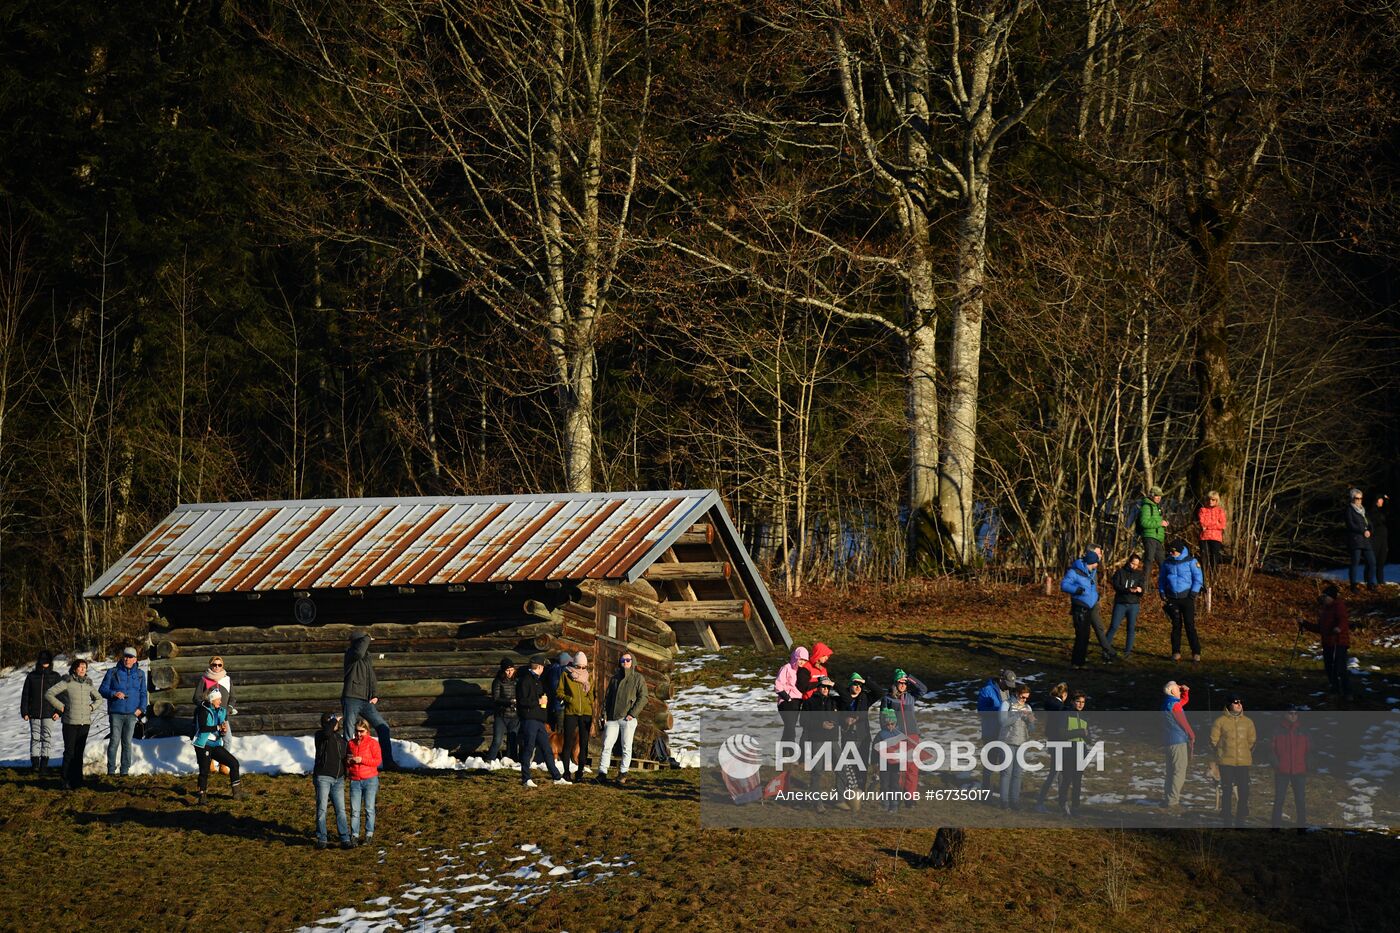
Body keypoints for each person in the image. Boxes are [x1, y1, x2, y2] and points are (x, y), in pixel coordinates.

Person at [44, 658, 102, 790]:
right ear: (75, 669)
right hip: (70, 723)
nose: (83, 669)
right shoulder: (67, 681)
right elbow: (49, 694)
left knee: (79, 752)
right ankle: (65, 780)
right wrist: (61, 706)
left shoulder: (88, 683)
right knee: (69, 752)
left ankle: (78, 780)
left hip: (84, 723)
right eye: (80, 667)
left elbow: (99, 699)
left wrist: (91, 708)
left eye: (85, 667)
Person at [342, 633, 397, 770]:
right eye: (364, 641)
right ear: (359, 642)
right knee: (349, 733)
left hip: (366, 701)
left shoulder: (366, 658)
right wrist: (367, 637)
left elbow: (372, 677)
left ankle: (388, 762)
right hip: (351, 698)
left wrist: (375, 695)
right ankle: (346, 766)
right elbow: (359, 652)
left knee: (383, 727)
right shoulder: (351, 654)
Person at [597, 651, 648, 785]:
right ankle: (602, 773)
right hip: (613, 719)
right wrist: (604, 715)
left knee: (626, 747)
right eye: (622, 660)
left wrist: (632, 713)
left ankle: (623, 773)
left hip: (628, 719)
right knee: (606, 745)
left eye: (628, 660)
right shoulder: (614, 678)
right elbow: (607, 699)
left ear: (633, 661)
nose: (625, 662)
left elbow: (643, 697)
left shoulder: (638, 678)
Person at [516, 655, 567, 787]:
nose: (544, 668)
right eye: (543, 666)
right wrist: (538, 701)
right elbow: (522, 701)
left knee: (547, 749)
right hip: (529, 719)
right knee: (528, 748)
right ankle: (526, 778)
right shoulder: (525, 680)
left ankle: (556, 777)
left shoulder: (539, 681)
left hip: (539, 720)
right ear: (539, 667)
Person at [1061, 548, 1115, 668]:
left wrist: (1096, 596)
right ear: (1090, 562)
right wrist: (1076, 590)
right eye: (1096, 562)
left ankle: (1081, 662)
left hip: (1090, 607)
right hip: (1080, 608)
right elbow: (1064, 585)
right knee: (1081, 636)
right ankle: (1076, 662)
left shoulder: (1091, 572)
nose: (1097, 564)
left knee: (1086, 636)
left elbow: (1092, 588)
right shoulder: (1074, 572)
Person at [99, 646, 147, 777]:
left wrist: (141, 709)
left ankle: (124, 771)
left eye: (130, 657)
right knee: (114, 740)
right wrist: (114, 693)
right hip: (116, 713)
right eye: (125, 656)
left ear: (135, 659)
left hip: (132, 714)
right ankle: (110, 770)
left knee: (127, 742)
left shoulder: (140, 675)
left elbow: (143, 694)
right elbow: (102, 690)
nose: (127, 659)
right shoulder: (112, 672)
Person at [1210, 694, 1256, 827]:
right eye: (1236, 702)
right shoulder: (1220, 721)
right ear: (1229, 705)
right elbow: (1213, 740)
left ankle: (1240, 819)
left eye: (1241, 702)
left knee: (1244, 791)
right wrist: (1221, 753)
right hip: (1226, 762)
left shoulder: (1248, 722)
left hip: (1243, 762)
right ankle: (1227, 819)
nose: (1239, 704)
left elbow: (1252, 740)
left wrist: (1245, 752)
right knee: (1227, 790)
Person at [1301, 585, 1351, 698]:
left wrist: (1339, 628)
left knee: (1340, 668)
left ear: (1331, 597)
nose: (1323, 598)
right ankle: (1335, 690)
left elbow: (1343, 620)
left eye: (1325, 596)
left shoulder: (1339, 606)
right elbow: (1320, 628)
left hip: (1338, 642)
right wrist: (1305, 624)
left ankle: (1348, 692)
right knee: (1329, 668)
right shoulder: (1325, 609)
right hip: (1327, 643)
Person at [192, 688, 241, 805]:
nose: (220, 701)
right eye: (218, 699)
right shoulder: (202, 710)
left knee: (234, 763)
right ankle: (202, 796)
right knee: (204, 771)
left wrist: (222, 732)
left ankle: (237, 794)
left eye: (220, 698)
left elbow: (220, 729)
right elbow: (203, 728)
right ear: (212, 700)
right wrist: (218, 728)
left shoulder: (221, 711)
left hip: (215, 744)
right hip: (203, 744)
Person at [312, 712, 352, 850]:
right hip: (323, 777)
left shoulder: (340, 738)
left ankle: (345, 838)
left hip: (339, 779)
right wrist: (334, 719)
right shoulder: (320, 735)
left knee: (340, 810)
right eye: (333, 721)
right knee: (322, 809)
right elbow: (327, 732)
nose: (336, 723)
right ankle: (322, 839)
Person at [1159, 540, 1204, 662]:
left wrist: (1193, 593)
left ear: (1179, 550)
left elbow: (1198, 578)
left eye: (1174, 551)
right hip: (1172, 598)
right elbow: (1162, 579)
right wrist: (1162, 592)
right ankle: (1176, 652)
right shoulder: (1167, 562)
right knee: (1176, 626)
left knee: (1189, 625)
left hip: (1187, 598)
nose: (1172, 553)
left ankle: (1196, 652)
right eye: (1170, 551)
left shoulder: (1191, 561)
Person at [801, 675, 842, 811]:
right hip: (817, 739)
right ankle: (816, 801)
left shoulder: (834, 700)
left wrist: (834, 684)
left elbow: (847, 698)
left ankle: (840, 799)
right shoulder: (809, 702)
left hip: (833, 739)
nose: (826, 689)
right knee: (817, 770)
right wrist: (820, 724)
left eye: (828, 687)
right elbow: (803, 721)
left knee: (841, 767)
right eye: (823, 686)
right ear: (818, 687)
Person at [20, 649, 61, 775]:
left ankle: (44, 765)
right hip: (34, 713)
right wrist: (25, 712)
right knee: (35, 738)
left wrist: (59, 711)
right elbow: (26, 695)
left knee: (46, 738)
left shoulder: (55, 676)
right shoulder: (31, 676)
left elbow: (61, 695)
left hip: (50, 713)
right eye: (42, 659)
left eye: (47, 659)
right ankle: (35, 765)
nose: (44, 662)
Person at [556, 651, 593, 782]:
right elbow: (559, 692)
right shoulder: (566, 674)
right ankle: (566, 772)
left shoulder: (589, 676)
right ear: (574, 664)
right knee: (568, 743)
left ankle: (580, 773)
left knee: (584, 744)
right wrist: (569, 698)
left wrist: (591, 704)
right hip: (571, 712)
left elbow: (592, 694)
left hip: (586, 714)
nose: (581, 669)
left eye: (584, 667)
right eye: (579, 666)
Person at [977, 670, 1016, 795]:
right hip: (991, 731)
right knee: (991, 761)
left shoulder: (1007, 690)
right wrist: (999, 710)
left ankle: (1003, 789)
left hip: (1004, 732)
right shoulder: (987, 690)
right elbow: (982, 710)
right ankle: (986, 788)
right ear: (1000, 679)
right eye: (1007, 684)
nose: (1008, 687)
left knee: (1005, 761)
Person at [998, 683, 1035, 811]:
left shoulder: (1028, 707)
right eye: (1023, 697)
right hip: (1007, 741)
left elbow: (1032, 728)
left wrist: (1030, 720)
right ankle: (1004, 801)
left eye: (1026, 698)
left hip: (1022, 742)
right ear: (1017, 694)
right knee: (1006, 772)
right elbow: (1003, 722)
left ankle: (1015, 801)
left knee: (1018, 773)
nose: (1024, 700)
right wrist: (1018, 715)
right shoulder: (1006, 704)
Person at [1270, 707, 1309, 829]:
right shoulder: (1277, 730)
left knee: (1300, 800)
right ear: (1285, 714)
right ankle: (1275, 824)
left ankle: (1301, 825)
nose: (1293, 715)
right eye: (1290, 713)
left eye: (1296, 713)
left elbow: (1311, 750)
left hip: (1300, 771)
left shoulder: (1303, 730)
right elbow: (1270, 749)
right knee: (1279, 798)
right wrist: (1277, 764)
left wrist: (1307, 765)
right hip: (1282, 771)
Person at [1034, 682, 1069, 812]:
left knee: (1059, 774)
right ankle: (1040, 802)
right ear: (1064, 694)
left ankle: (1062, 803)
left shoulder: (1054, 705)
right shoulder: (1059, 706)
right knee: (1055, 774)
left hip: (1056, 742)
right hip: (1059, 743)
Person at [347, 718, 382, 846]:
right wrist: (349, 762)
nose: (358, 734)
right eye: (356, 731)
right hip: (355, 780)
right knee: (355, 810)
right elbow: (347, 760)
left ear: (367, 731)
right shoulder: (351, 743)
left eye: (361, 731)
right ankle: (354, 835)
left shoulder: (373, 743)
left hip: (370, 780)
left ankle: (369, 834)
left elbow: (377, 761)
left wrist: (362, 760)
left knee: (369, 808)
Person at [1160, 680, 1195, 809]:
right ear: (1173, 691)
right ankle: (1173, 800)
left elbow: (1183, 702)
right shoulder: (1175, 705)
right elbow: (1183, 722)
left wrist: (1185, 691)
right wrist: (1191, 734)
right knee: (1179, 771)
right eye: (1178, 689)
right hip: (1178, 741)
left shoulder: (1167, 703)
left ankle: (1168, 798)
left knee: (1170, 771)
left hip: (1168, 742)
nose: (1179, 691)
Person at [1106, 554, 1146, 658]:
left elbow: (1142, 589)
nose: (1134, 566)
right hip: (1121, 603)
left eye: (1137, 565)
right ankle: (1105, 648)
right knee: (1114, 626)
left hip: (1134, 605)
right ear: (1129, 562)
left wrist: (1140, 590)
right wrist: (1128, 590)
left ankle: (1128, 652)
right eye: (1133, 564)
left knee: (1131, 628)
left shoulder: (1140, 574)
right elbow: (1116, 586)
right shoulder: (1120, 572)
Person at [1060, 690, 1091, 817]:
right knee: (1067, 779)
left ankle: (1075, 807)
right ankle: (1063, 804)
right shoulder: (1066, 714)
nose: (1080, 704)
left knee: (1078, 780)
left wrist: (1088, 737)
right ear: (1072, 701)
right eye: (1078, 701)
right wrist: (1079, 732)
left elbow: (1088, 735)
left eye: (1083, 702)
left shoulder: (1084, 716)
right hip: (1068, 749)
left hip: (1081, 749)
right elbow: (1062, 733)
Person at [773, 646, 808, 747]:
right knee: (790, 726)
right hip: (787, 701)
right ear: (796, 657)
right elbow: (778, 685)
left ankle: (786, 750)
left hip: (798, 702)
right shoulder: (786, 668)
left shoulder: (802, 671)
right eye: (801, 659)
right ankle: (789, 750)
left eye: (805, 660)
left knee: (790, 727)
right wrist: (787, 697)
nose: (802, 662)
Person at [1344, 487, 1377, 591]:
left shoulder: (1363, 510)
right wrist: (1363, 531)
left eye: (1361, 498)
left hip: (1366, 540)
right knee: (1355, 562)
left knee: (1372, 562)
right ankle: (1353, 585)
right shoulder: (1349, 510)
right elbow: (1350, 525)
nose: (1359, 500)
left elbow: (1369, 523)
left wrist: (1370, 531)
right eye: (1357, 498)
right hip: (1356, 539)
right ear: (1352, 498)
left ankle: (1370, 583)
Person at [486, 658, 519, 762]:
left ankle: (512, 760)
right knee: (497, 740)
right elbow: (496, 699)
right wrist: (510, 701)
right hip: (502, 715)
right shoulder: (497, 681)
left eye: (512, 670)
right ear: (503, 670)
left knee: (513, 741)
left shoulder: (516, 681)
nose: (510, 672)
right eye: (507, 670)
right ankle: (489, 761)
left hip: (514, 716)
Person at [1135, 484, 1169, 575]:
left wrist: (1162, 523)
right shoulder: (1146, 507)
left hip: (1157, 538)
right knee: (1149, 560)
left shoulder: (1156, 507)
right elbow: (1144, 523)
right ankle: (1144, 586)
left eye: (1160, 496)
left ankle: (1163, 586)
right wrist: (1160, 523)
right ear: (1151, 495)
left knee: (1162, 563)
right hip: (1149, 536)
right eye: (1156, 495)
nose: (1158, 498)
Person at [1196, 491, 1227, 582]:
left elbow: (1223, 525)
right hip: (1204, 537)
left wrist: (1208, 526)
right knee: (1204, 558)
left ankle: (1213, 579)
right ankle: (1202, 579)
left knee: (1214, 558)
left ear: (1217, 500)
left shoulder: (1220, 511)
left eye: (1213, 500)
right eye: (1209, 499)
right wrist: (1215, 524)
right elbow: (1202, 523)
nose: (1211, 501)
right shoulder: (1202, 510)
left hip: (1216, 538)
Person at [544, 650, 571, 734]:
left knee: (553, 729)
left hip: (552, 705)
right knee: (560, 732)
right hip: (560, 705)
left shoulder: (551, 669)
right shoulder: (561, 670)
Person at [1367, 493, 1389, 585]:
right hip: (1375, 539)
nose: (1382, 501)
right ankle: (1368, 581)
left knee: (1381, 561)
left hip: (1383, 540)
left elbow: (1388, 512)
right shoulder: (1372, 511)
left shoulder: (1382, 510)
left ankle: (1380, 581)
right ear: (1376, 500)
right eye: (1380, 500)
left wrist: (1386, 500)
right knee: (1372, 562)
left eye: (1382, 500)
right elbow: (1376, 521)